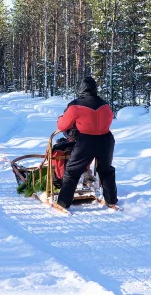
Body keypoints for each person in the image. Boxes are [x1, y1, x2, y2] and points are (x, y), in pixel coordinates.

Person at [55, 76, 118, 209]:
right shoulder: (105, 104)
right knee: (106, 171)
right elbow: (109, 119)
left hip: (86, 142)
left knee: (72, 172)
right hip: (106, 140)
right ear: (95, 89)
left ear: (80, 89)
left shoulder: (75, 105)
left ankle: (63, 203)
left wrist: (63, 120)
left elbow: (62, 125)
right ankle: (111, 200)